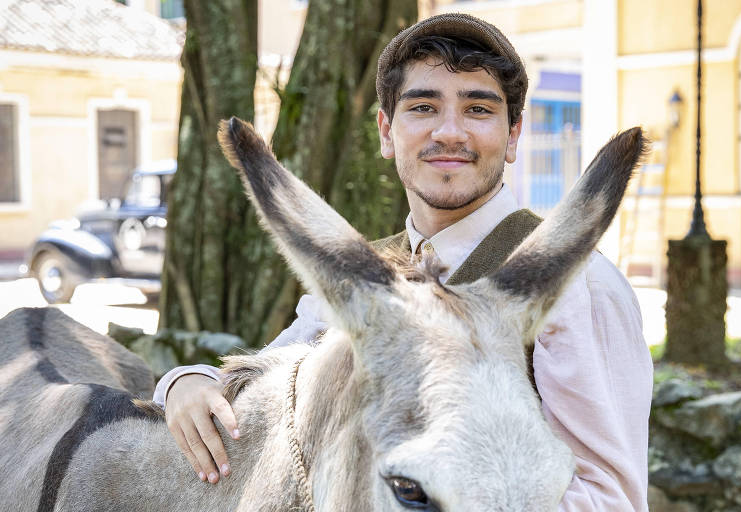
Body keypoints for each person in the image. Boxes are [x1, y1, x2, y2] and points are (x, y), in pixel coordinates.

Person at [153, 12, 654, 511]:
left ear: (515, 134)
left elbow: (610, 499)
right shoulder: (365, 276)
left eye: (479, 109)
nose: (451, 132)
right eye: (423, 107)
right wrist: (187, 383)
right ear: (387, 132)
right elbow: (277, 387)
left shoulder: (578, 286)